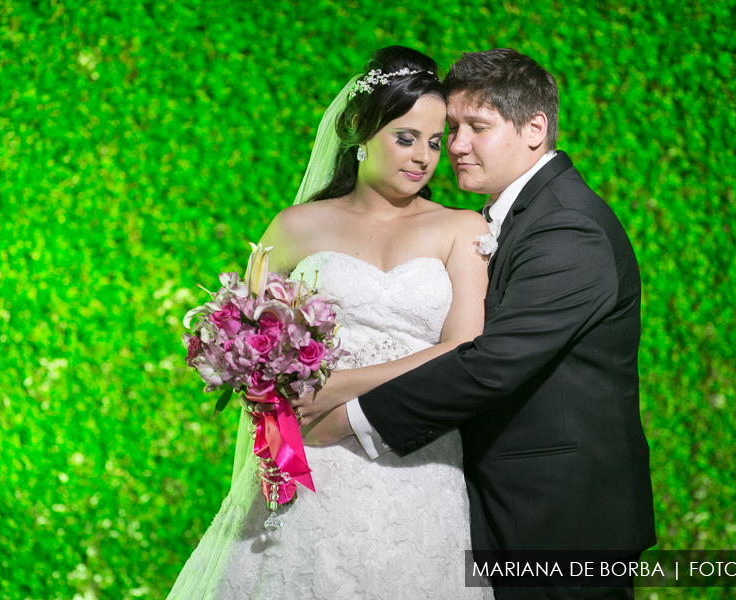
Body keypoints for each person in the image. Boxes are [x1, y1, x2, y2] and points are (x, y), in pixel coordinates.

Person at [293, 49, 658, 599]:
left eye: (475, 129)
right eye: (451, 130)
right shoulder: (502, 218)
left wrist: (351, 415)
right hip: (481, 502)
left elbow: (492, 361)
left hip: (560, 520)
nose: (455, 147)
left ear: (535, 128)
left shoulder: (568, 227)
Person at [166, 46, 494, 600]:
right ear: (360, 133)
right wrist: (276, 397)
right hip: (309, 456)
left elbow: (466, 347)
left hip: (418, 464)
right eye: (406, 137)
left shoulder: (462, 228)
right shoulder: (298, 226)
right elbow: (246, 343)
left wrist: (337, 385)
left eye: (436, 143)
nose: (423, 158)